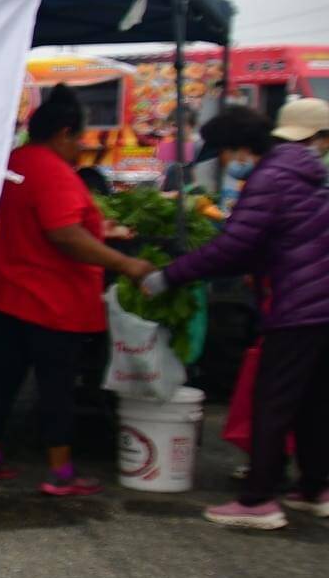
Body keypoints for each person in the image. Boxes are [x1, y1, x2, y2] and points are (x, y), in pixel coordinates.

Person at [139, 105, 329, 530]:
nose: (226, 163)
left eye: (224, 153)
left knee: (274, 401)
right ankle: (315, 489)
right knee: (313, 401)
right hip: (320, 303)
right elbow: (266, 243)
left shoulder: (269, 179)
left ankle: (259, 500)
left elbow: (233, 246)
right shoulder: (303, 170)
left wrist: (169, 276)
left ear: (239, 148)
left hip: (299, 304)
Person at [0, 86, 156, 496]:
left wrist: (97, 230)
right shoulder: (53, 172)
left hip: (6, 294)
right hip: (50, 302)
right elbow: (65, 235)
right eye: (80, 139)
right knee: (56, 387)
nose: (81, 147)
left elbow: (40, 225)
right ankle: (60, 472)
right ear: (64, 132)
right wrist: (126, 263)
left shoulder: (14, 163)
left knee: (0, 380)